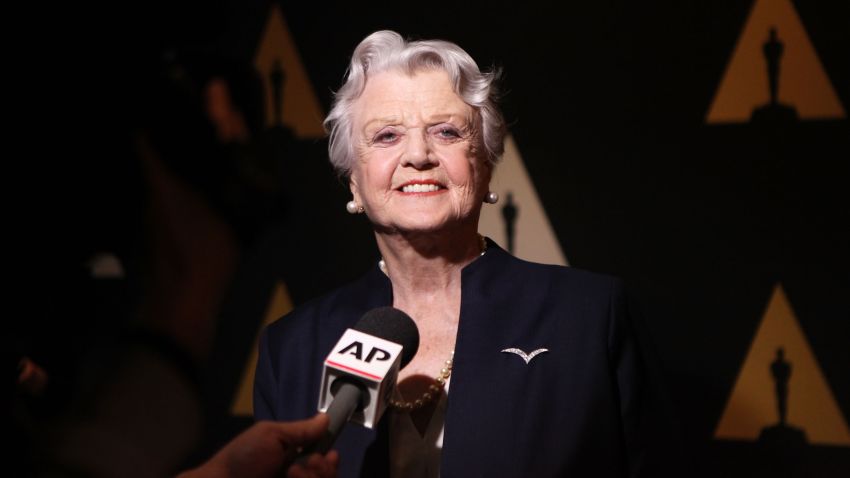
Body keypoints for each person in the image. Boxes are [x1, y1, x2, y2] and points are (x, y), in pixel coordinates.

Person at [254, 30, 650, 477]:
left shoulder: (588, 316)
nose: (419, 155)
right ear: (354, 181)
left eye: (446, 132)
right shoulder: (291, 347)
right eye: (386, 136)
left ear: (484, 165)